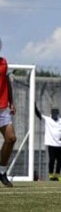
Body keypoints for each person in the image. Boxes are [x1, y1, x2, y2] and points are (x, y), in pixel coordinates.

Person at [34, 104, 61, 181]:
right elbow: (38, 114)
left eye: (55, 114)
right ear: (51, 114)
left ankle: (57, 175)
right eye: (52, 114)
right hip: (51, 144)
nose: (54, 116)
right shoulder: (47, 119)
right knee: (52, 159)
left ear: (57, 114)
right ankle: (51, 175)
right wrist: (34, 106)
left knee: (60, 160)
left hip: (60, 144)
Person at [0, 48, 16, 188]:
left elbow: (7, 82)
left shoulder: (3, 62)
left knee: (11, 138)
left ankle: (2, 172)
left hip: (3, 108)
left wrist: (11, 101)